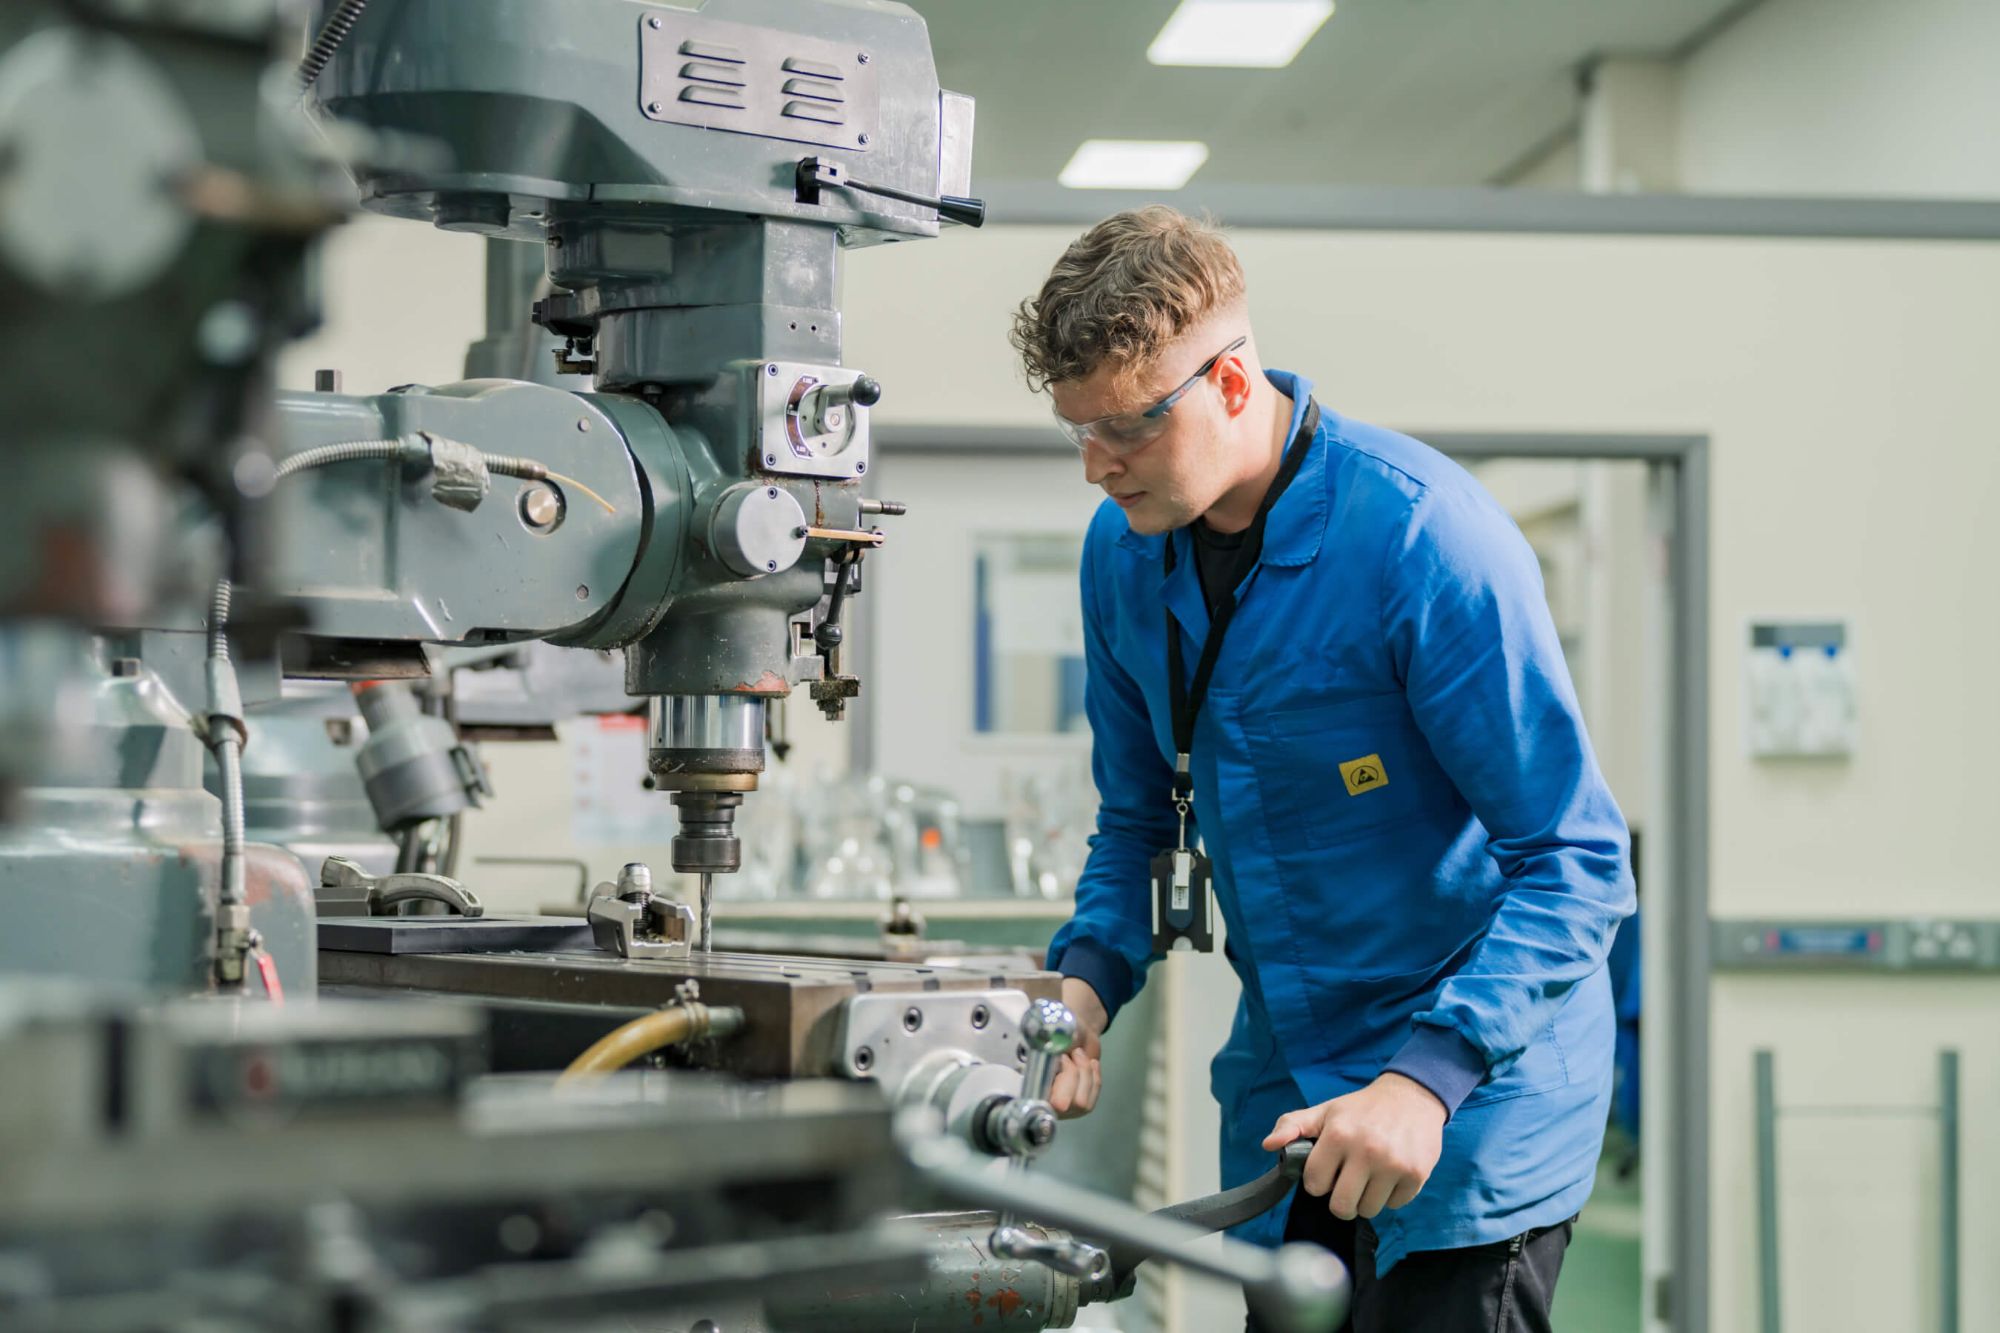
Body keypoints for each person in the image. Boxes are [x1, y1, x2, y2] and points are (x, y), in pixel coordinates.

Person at [1011, 207, 1634, 1332]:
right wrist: (1086, 982)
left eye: (1128, 428)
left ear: (1233, 384)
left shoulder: (1421, 539)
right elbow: (1134, 815)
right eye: (1076, 432)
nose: (1096, 466)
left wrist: (1425, 1076)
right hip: (1291, 1077)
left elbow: (1576, 859)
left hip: (1470, 1097)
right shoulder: (1122, 554)